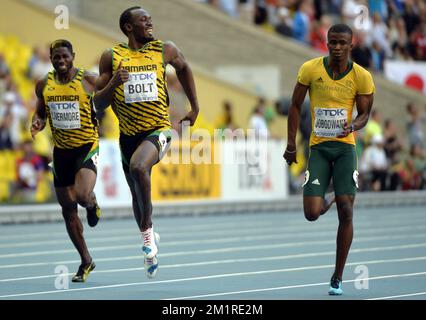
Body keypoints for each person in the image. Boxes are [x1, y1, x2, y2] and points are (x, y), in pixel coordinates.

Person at [94, 7, 199, 279]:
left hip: (159, 130)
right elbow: (98, 104)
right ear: (128, 27)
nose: (150, 22)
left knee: (140, 168)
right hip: (127, 137)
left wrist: (194, 106)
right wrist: (114, 82)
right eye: (143, 20)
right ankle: (147, 234)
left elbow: (185, 69)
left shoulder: (164, 49)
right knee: (137, 196)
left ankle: (148, 233)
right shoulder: (112, 56)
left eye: (150, 18)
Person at [283, 24, 375, 295]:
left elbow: (365, 114)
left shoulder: (362, 77)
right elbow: (295, 105)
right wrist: (290, 145)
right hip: (319, 149)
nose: (336, 47)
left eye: (342, 43)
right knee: (311, 213)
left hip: (345, 149)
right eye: (332, 42)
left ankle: (337, 276)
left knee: (346, 211)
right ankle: (334, 194)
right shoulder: (310, 69)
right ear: (326, 43)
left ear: (351, 44)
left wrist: (354, 125)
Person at [30, 39, 101, 282]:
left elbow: (108, 96)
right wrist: (37, 122)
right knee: (68, 211)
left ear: (73, 56)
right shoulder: (43, 84)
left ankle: (92, 205)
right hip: (61, 152)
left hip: (86, 147)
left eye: (65, 56)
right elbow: (41, 111)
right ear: (51, 59)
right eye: (56, 57)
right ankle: (85, 261)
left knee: (82, 196)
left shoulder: (88, 79)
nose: (61, 61)